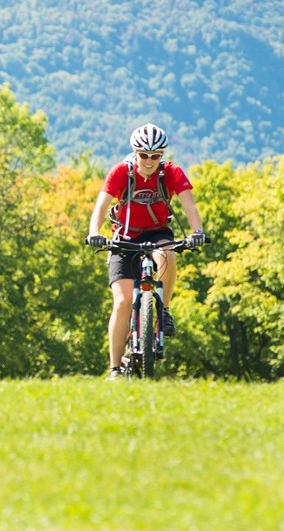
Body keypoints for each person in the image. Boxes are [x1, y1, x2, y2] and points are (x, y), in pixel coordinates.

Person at [85, 124, 206, 381]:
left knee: (168, 255)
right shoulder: (121, 172)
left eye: (156, 155)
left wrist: (196, 232)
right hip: (125, 235)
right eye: (144, 155)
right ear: (135, 152)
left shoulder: (171, 173)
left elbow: (190, 206)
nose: (149, 161)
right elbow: (101, 205)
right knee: (123, 302)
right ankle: (115, 368)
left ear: (162, 155)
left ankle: (163, 309)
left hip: (157, 231)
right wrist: (95, 232)